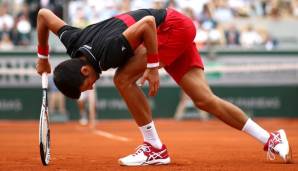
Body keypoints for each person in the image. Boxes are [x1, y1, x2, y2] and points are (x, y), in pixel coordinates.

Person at [35, 8, 292, 166]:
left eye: (86, 85)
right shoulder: (73, 40)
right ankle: (271, 139)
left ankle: (155, 148)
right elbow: (43, 15)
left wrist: (153, 66)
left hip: (171, 28)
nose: (90, 89)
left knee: (122, 79)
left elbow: (147, 23)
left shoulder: (108, 52)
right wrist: (43, 58)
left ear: (84, 69)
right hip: (172, 27)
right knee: (204, 100)